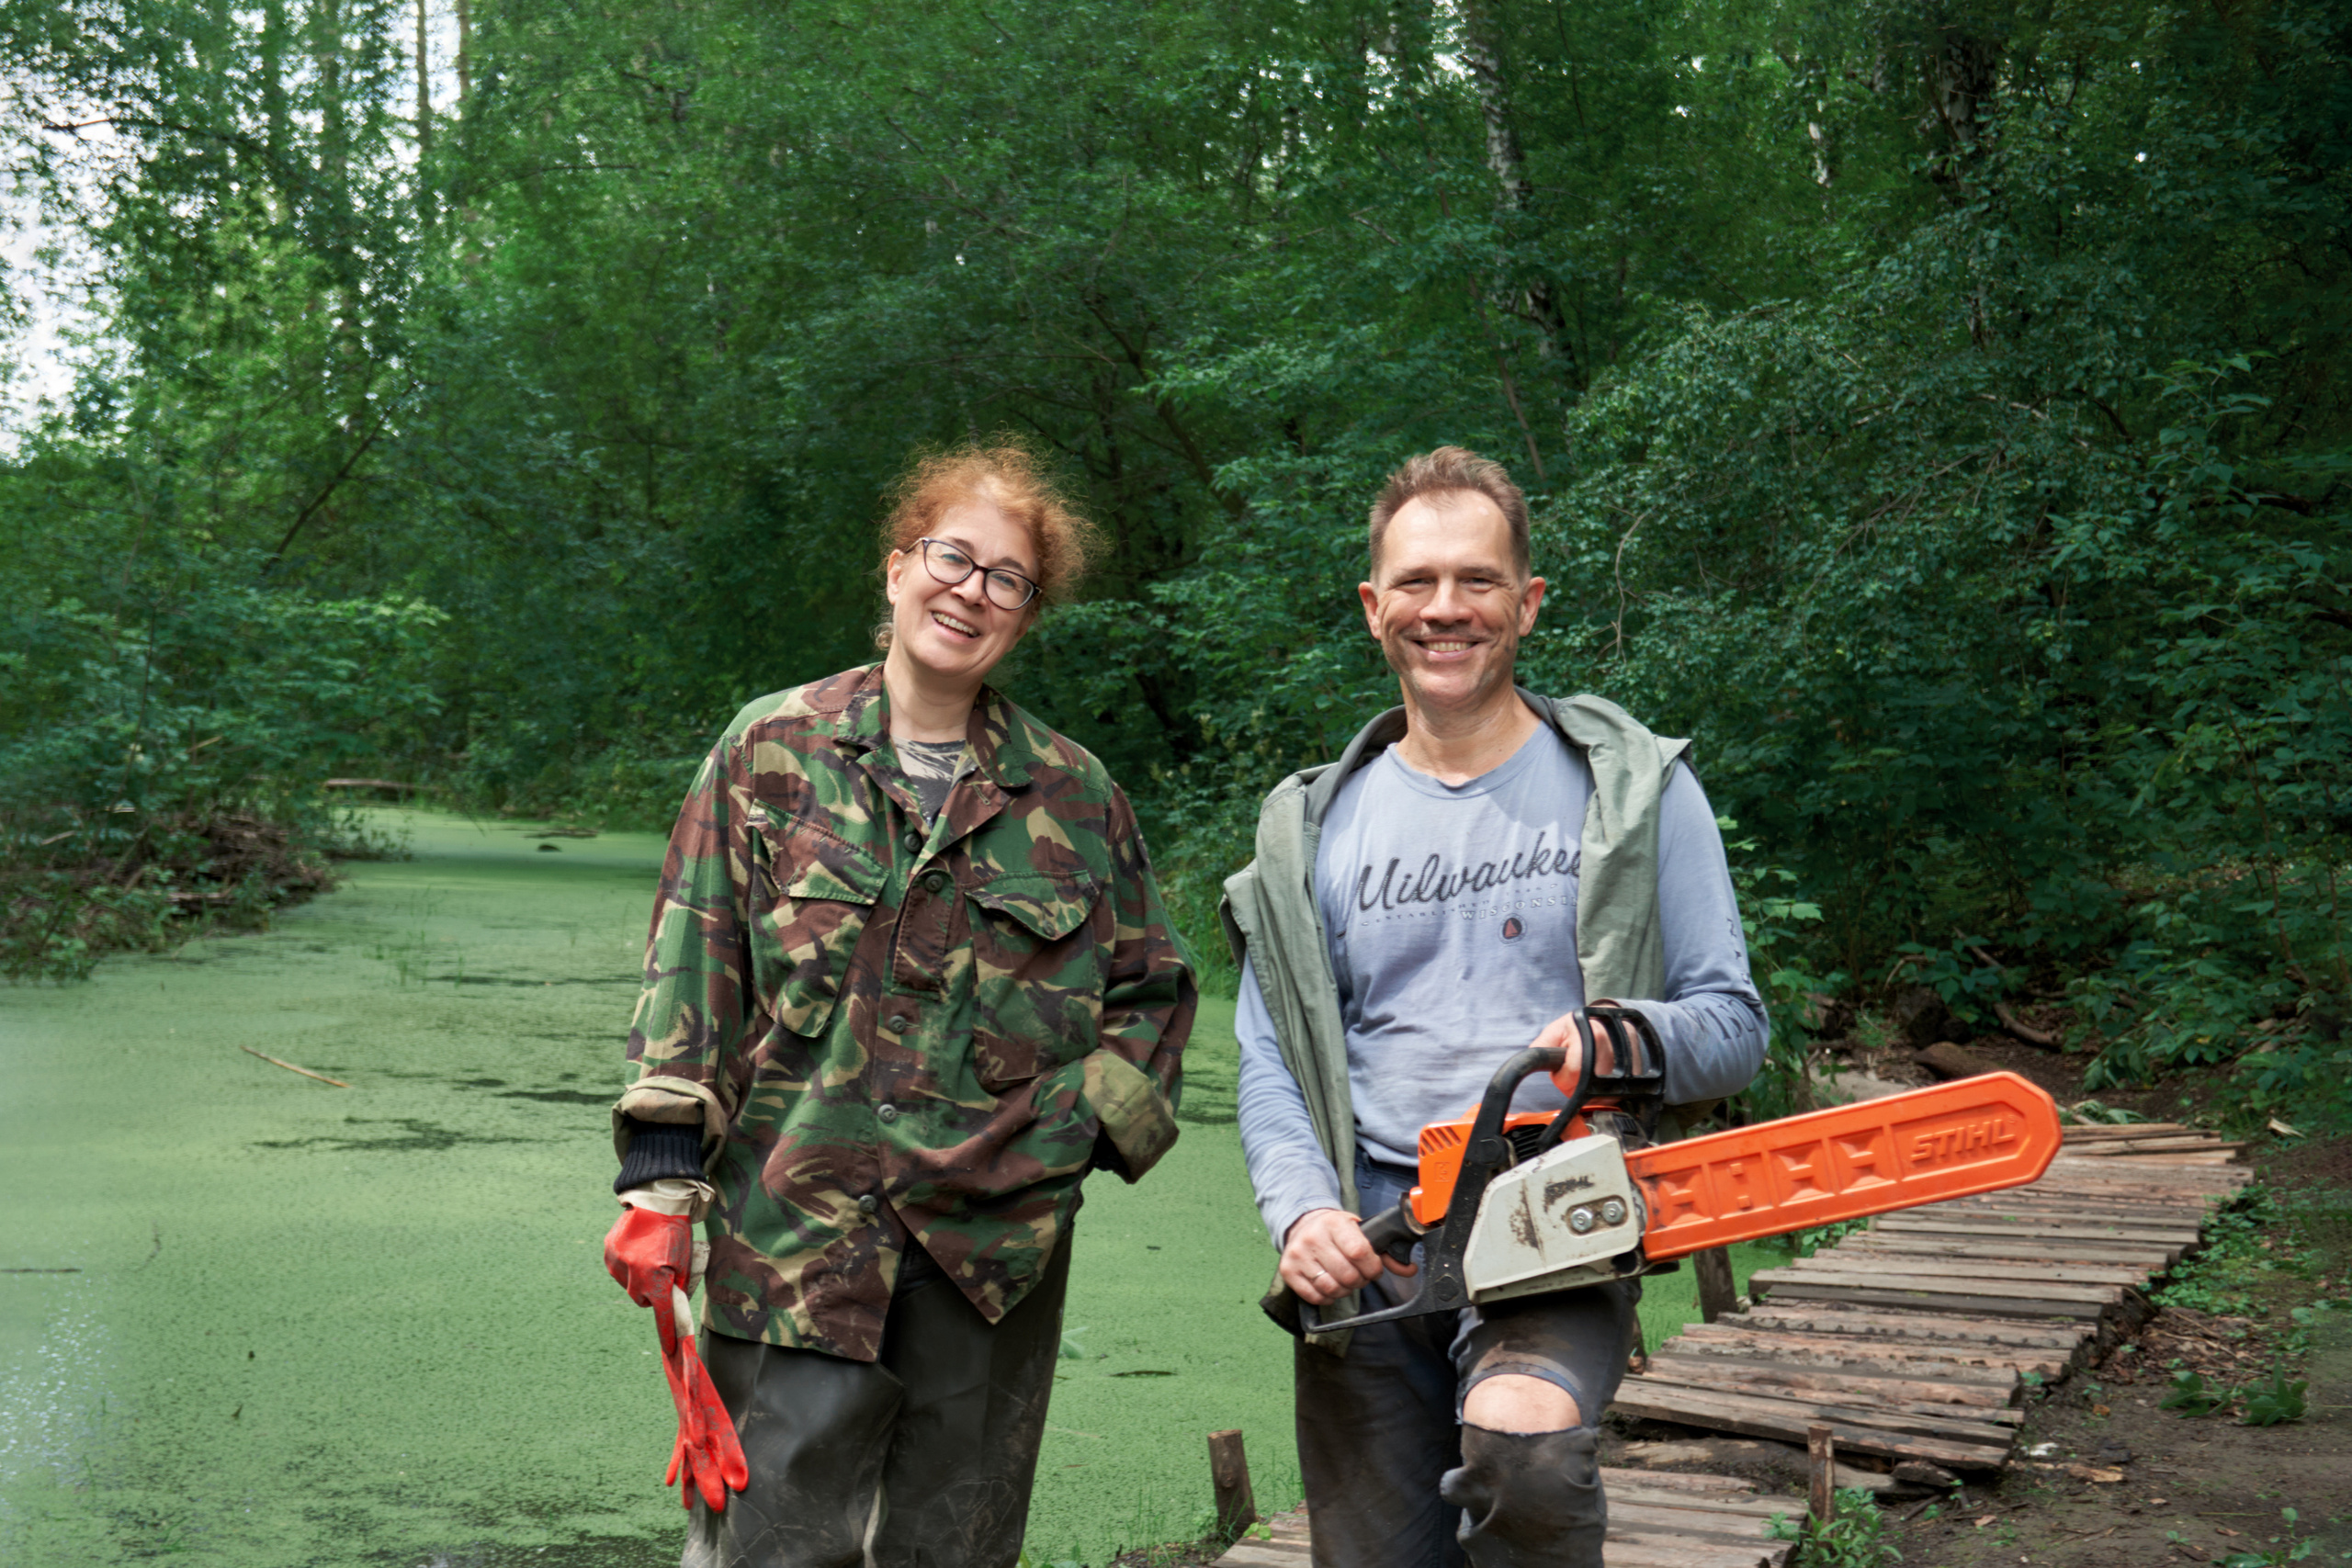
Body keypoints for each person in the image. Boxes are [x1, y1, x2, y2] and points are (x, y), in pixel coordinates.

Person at [603, 443, 1198, 1568]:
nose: (970, 591)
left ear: (1025, 615)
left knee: (952, 1554)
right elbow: (695, 965)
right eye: (952, 557)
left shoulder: (1073, 794)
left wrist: (1073, 1138)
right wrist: (659, 1179)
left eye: (1007, 578)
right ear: (895, 570)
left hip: (991, 1261)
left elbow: (1154, 993)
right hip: (791, 1241)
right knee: (769, 1551)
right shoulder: (768, 752)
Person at [1224, 446, 1768, 1567]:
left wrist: (1618, 1042)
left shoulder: (1635, 789)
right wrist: (1302, 1215)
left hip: (1552, 1211)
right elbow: (1270, 1058)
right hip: (1373, 1239)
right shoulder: (1310, 828)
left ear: (1527, 602)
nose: (1445, 610)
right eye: (1416, 584)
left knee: (1523, 1453)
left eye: (1477, 582)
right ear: (1375, 608)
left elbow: (1732, 1026)